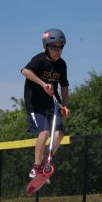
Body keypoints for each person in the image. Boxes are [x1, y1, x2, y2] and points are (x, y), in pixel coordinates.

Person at [21, 28, 71, 180]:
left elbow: (64, 86)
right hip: (35, 104)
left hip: (51, 104)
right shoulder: (39, 59)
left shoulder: (62, 65)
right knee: (44, 133)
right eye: (53, 47)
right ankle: (36, 166)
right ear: (46, 47)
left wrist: (65, 105)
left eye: (60, 47)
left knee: (59, 134)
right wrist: (43, 84)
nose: (57, 50)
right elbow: (25, 71)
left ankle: (44, 165)